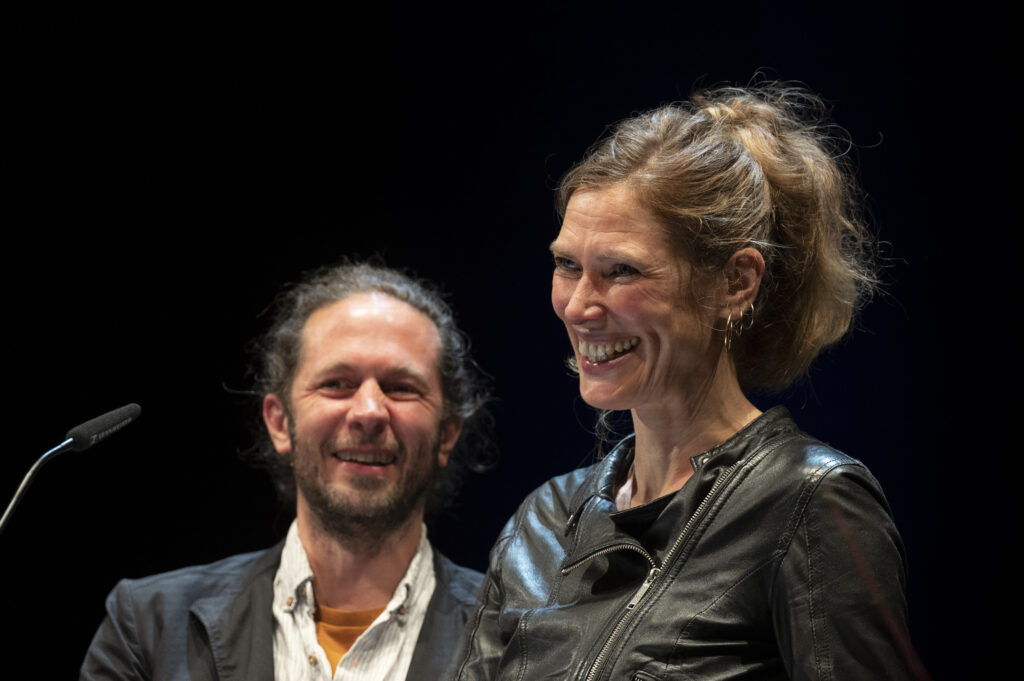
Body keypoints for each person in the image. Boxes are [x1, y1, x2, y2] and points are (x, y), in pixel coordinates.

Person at [453, 84, 922, 681]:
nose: (578, 306)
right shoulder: (541, 522)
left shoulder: (808, 503)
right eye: (567, 264)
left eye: (621, 270)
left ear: (736, 282)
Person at [80, 261, 491, 681]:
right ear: (279, 422)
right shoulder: (147, 629)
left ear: (447, 433)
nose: (369, 412)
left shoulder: (517, 641)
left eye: (401, 388)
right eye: (336, 383)